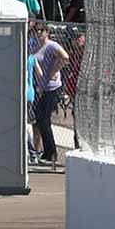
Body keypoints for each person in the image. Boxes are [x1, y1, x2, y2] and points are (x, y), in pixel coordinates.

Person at [28, 25, 69, 163]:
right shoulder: (36, 47)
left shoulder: (51, 45)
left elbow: (65, 56)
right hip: (44, 88)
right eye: (37, 30)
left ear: (47, 32)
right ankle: (47, 153)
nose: (38, 33)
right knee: (40, 119)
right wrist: (40, 82)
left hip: (53, 88)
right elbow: (35, 64)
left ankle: (51, 154)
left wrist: (53, 71)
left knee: (43, 119)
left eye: (41, 30)